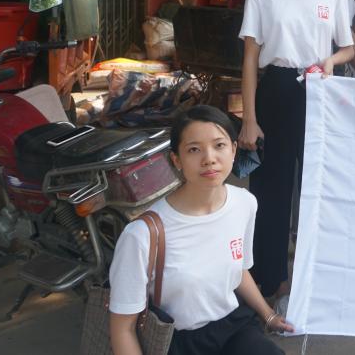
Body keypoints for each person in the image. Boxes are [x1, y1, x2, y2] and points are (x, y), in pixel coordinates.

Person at [238, 0, 354, 297]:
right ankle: (270, 279)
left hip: (320, 93)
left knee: (319, 187)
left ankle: (315, 276)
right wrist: (249, 119)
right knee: (271, 188)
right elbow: (250, 59)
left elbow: (348, 47)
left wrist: (332, 60)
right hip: (277, 90)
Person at [109, 106, 293, 355]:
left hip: (233, 327)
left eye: (219, 145)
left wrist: (268, 315)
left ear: (233, 150)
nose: (209, 158)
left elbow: (239, 270)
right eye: (194, 149)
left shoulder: (244, 203)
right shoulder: (142, 235)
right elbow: (123, 329)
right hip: (177, 340)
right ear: (177, 160)